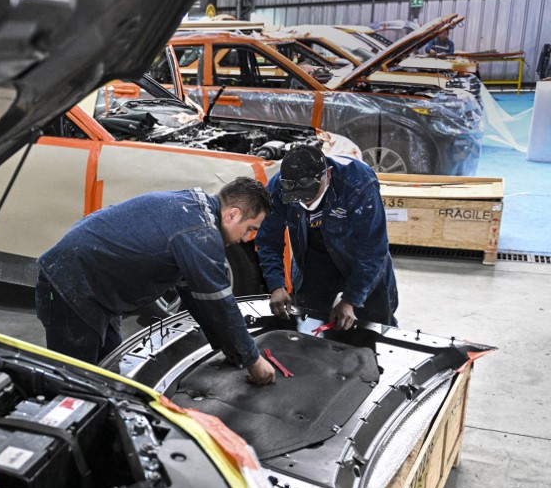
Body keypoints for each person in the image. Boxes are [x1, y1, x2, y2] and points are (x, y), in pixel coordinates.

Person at [36, 178, 276, 385]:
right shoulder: (199, 231)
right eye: (249, 229)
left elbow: (197, 297)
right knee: (74, 381)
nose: (246, 238)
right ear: (233, 213)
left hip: (95, 285)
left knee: (108, 369)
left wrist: (230, 347)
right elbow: (221, 302)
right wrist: (253, 359)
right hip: (71, 283)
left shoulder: (196, 208)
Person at [255, 145, 398, 330]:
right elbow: (268, 239)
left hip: (361, 256)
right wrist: (276, 285)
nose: (306, 202)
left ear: (327, 174)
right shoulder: (277, 189)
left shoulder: (358, 184)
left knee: (374, 326)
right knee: (307, 321)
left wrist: (351, 300)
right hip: (315, 256)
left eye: (311, 195)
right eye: (299, 198)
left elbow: (373, 248)